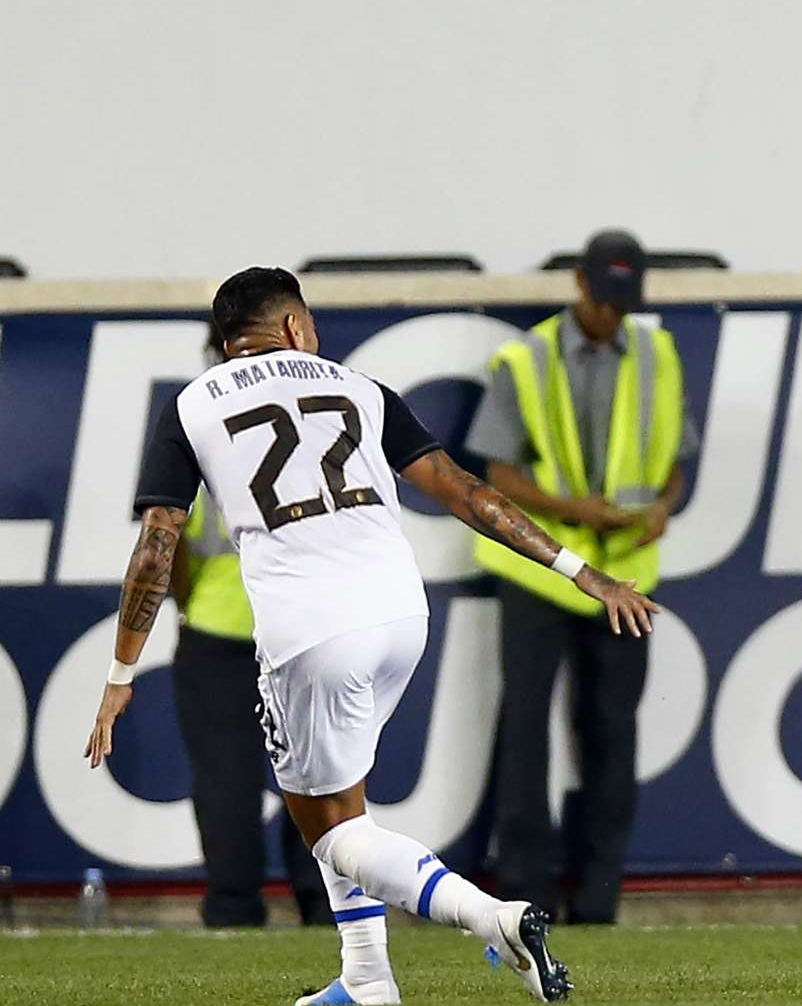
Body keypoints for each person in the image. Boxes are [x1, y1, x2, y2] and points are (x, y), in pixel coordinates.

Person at [86, 266, 661, 1004]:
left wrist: (119, 674)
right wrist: (582, 571)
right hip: (400, 615)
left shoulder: (194, 404)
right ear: (294, 327)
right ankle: (366, 976)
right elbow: (468, 492)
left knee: (324, 828)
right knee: (343, 798)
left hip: (311, 631)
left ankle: (495, 918)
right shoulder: (358, 387)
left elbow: (157, 544)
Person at [465, 228, 692, 924]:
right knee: (526, 728)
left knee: (612, 732)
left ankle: (599, 896)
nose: (611, 315)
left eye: (624, 302)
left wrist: (661, 508)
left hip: (625, 570)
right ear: (579, 287)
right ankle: (526, 892)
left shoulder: (657, 353)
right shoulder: (524, 358)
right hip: (541, 571)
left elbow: (678, 459)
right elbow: (497, 474)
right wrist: (574, 511)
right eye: (603, 300)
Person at [164, 321, 329, 929]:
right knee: (317, 774)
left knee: (225, 780)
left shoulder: (193, 419)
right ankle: (322, 905)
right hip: (300, 625)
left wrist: (188, 605)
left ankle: (234, 911)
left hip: (216, 624)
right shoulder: (318, 412)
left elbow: (169, 535)